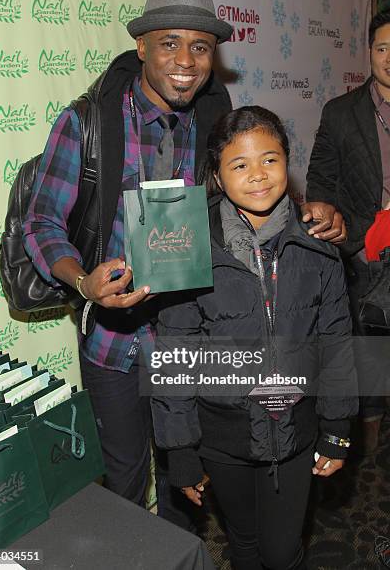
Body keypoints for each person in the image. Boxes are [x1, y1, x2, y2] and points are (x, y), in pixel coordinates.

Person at [22, 0, 233, 527]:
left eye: (201, 46)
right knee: (124, 484)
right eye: (169, 42)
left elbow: (243, 209)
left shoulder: (215, 130)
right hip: (115, 345)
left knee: (186, 481)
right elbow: (42, 221)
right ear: (141, 47)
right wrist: (82, 280)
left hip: (190, 339)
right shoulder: (89, 122)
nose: (186, 60)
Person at [151, 106, 358, 570]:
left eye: (270, 159)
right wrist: (180, 448)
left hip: (296, 429)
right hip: (224, 434)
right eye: (239, 165)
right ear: (219, 178)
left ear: (288, 162)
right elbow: (175, 351)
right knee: (243, 543)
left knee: (283, 552)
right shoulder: (186, 245)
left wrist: (337, 430)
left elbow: (337, 344)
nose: (259, 175)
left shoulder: (318, 242)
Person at [306, 11, 390, 454]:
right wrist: (330, 220)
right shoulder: (340, 114)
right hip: (364, 251)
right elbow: (319, 179)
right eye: (382, 48)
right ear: (369, 53)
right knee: (368, 348)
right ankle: (371, 426)